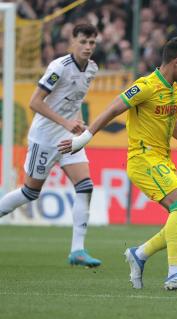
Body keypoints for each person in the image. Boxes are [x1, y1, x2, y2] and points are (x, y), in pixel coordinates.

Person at [58, 37, 177, 290]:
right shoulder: (145, 86)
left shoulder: (174, 88)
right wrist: (83, 139)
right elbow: (112, 110)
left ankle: (141, 254)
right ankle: (174, 273)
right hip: (143, 158)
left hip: (162, 160)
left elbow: (170, 120)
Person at [0, 23, 101, 268]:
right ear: (72, 41)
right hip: (44, 138)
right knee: (30, 192)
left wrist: (75, 122)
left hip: (67, 138)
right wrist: (65, 121)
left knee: (85, 186)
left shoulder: (92, 69)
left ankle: (77, 250)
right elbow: (35, 102)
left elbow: (76, 99)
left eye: (92, 43)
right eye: (83, 42)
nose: (88, 47)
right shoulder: (59, 67)